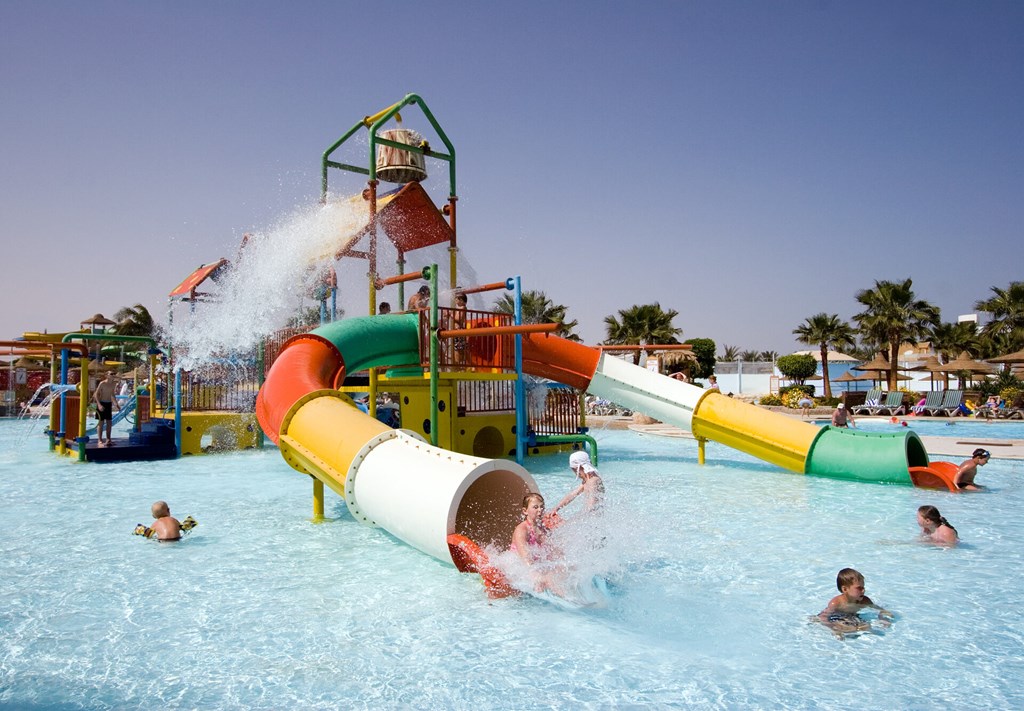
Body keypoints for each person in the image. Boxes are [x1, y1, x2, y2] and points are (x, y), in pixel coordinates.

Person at [818, 568, 893, 636]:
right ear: (845, 589)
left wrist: (883, 618)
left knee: (866, 626)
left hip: (853, 617)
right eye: (859, 588)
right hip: (837, 617)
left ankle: (855, 629)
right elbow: (823, 617)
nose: (863, 591)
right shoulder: (836, 603)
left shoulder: (864, 601)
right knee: (847, 627)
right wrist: (833, 628)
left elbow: (880, 610)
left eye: (863, 588)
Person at [553, 450, 605, 517]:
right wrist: (556, 508)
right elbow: (572, 494)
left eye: (574, 470)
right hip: (590, 516)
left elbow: (592, 506)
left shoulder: (593, 481)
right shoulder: (586, 481)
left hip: (595, 517)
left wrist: (574, 520)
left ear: (578, 468)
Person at [93, 370, 120, 446]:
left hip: (108, 404)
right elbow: (96, 394)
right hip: (102, 403)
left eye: (114, 373)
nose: (113, 375)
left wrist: (116, 403)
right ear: (107, 375)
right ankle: (100, 440)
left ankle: (108, 439)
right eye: (111, 374)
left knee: (109, 422)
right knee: (100, 422)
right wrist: (99, 405)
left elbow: (112, 394)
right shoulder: (102, 383)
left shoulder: (114, 384)